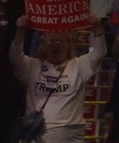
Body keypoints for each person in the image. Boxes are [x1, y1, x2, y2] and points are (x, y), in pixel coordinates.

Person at [9, 14, 106, 143]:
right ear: (43, 45)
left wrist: (97, 30)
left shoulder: (78, 65)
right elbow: (15, 57)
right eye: (49, 41)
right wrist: (20, 31)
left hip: (70, 131)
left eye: (59, 41)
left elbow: (98, 54)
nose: (54, 45)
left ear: (69, 45)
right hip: (38, 130)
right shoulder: (33, 66)